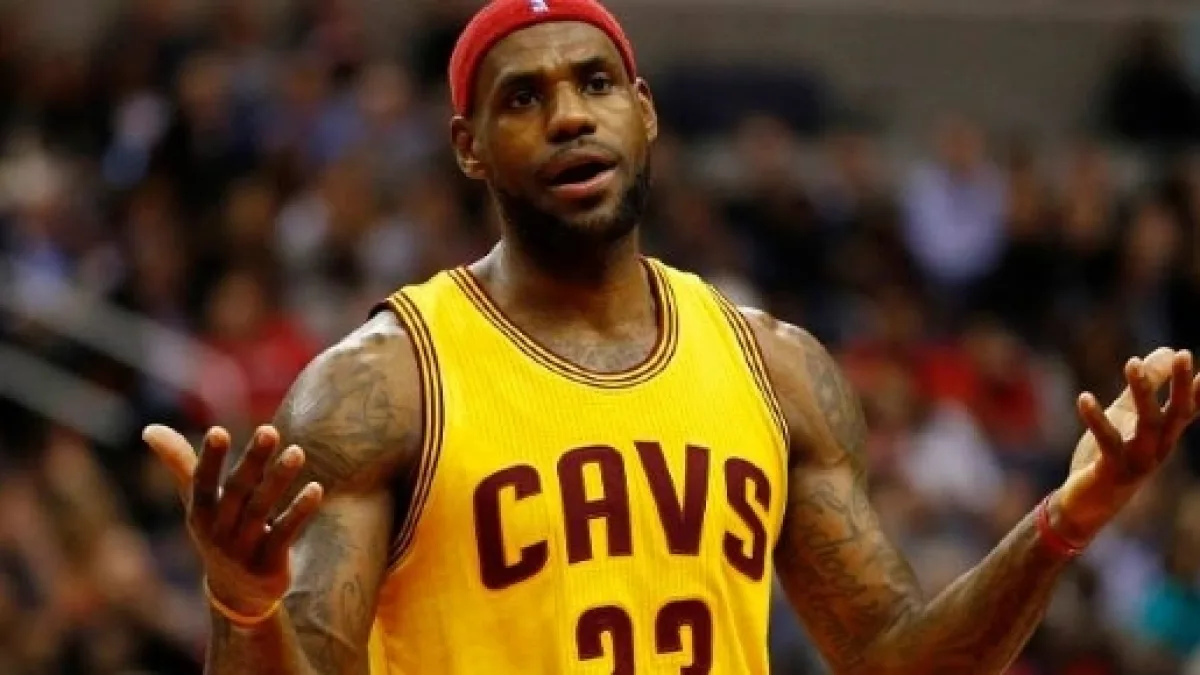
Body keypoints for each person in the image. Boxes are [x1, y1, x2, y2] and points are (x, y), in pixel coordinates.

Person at [142, 0, 1200, 673]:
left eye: (595, 83)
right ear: (470, 147)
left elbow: (894, 661)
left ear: (644, 111)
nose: (569, 116)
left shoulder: (775, 367)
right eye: (525, 97)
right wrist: (245, 604)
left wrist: (1065, 518)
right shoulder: (382, 388)